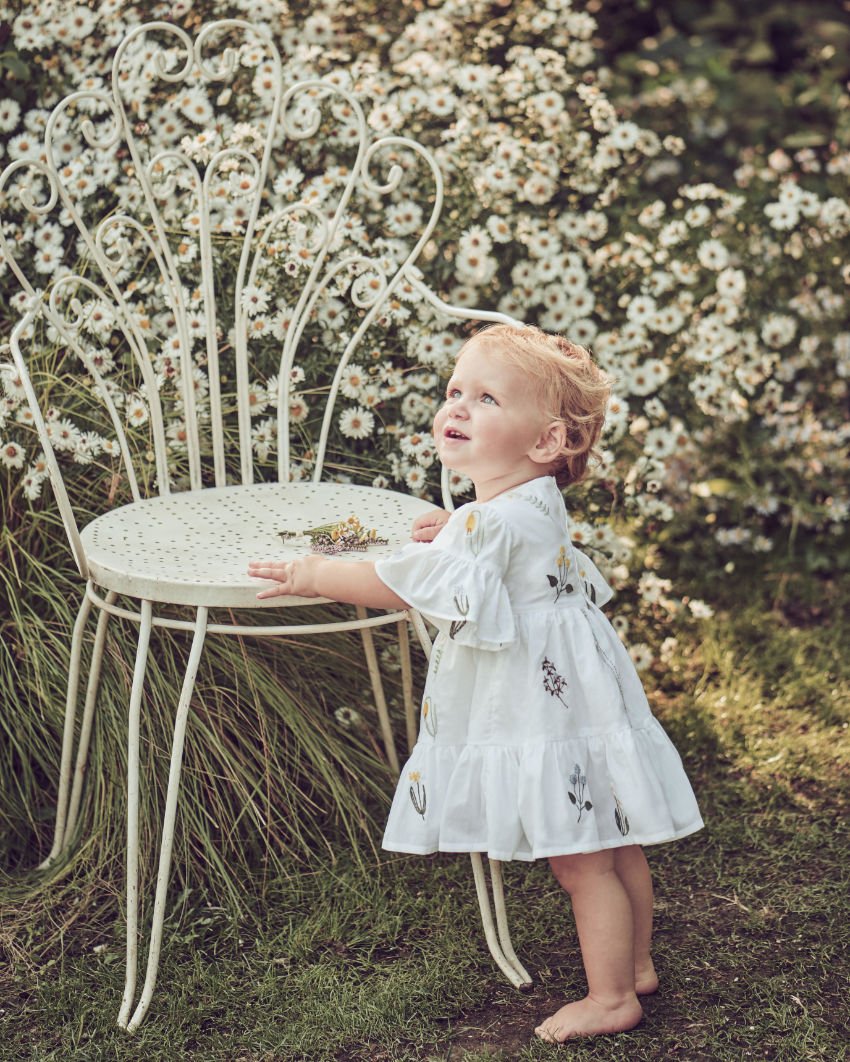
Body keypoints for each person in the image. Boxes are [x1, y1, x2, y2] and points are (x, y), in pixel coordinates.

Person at [248, 324, 703, 1043]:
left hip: (540, 704)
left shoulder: (485, 527)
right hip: (580, 691)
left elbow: (395, 587)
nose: (456, 408)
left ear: (547, 441)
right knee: (615, 842)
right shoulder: (528, 504)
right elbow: (493, 538)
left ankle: (613, 996)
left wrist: (313, 572)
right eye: (454, 391)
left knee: (580, 862)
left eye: (485, 398)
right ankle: (636, 963)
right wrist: (460, 524)